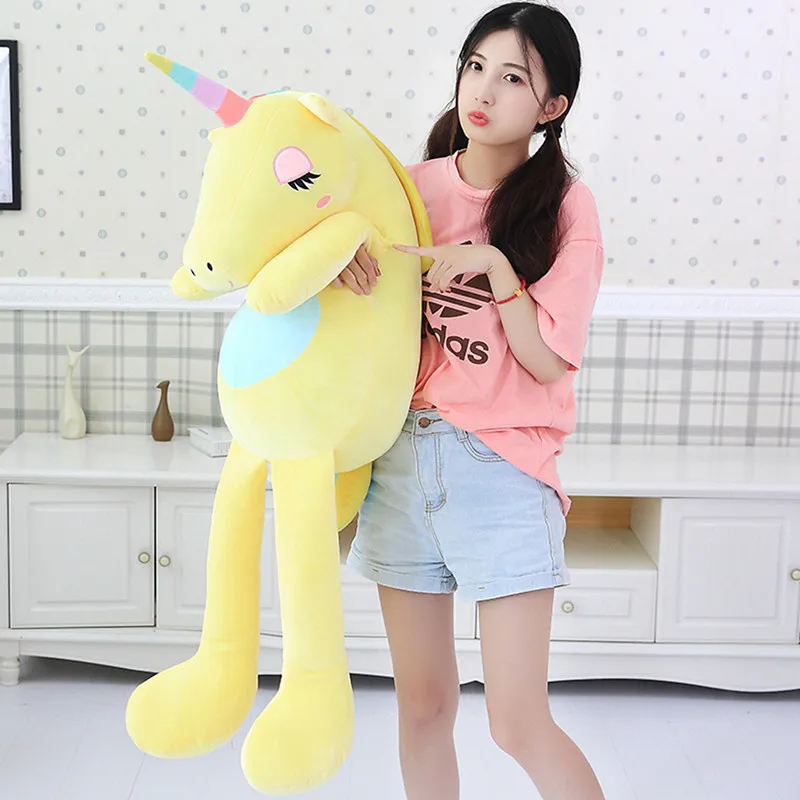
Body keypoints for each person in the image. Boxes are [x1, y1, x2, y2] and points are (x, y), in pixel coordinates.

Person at [333, 3, 606, 798]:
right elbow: (337, 307)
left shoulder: (566, 206)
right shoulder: (406, 190)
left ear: (552, 106)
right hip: (397, 465)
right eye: (475, 66)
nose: (483, 89)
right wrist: (335, 261)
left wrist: (497, 268)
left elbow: (547, 361)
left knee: (517, 721)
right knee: (422, 707)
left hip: (502, 470)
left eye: (513, 77)